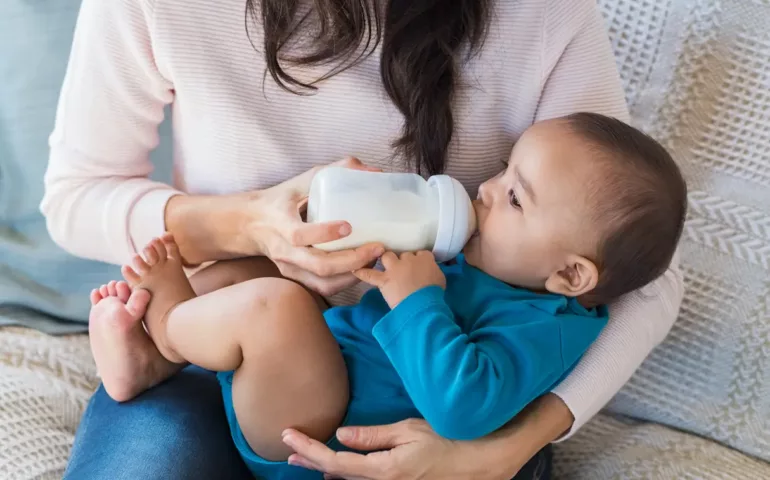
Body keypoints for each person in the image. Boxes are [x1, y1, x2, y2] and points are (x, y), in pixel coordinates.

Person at [41, 0, 685, 478]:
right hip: (228, 352)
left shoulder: (543, 16)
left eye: (514, 189)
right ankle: (161, 345)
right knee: (244, 287)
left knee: (267, 303)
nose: (487, 189)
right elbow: (76, 194)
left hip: (405, 418)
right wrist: (251, 223)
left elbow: (636, 272)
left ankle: (168, 333)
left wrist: (503, 448)